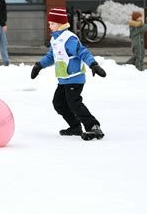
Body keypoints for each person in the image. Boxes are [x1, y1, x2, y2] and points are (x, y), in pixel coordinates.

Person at [30, 8, 107, 141]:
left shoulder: (69, 39)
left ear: (60, 24)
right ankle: (75, 126)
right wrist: (39, 65)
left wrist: (93, 65)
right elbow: (51, 56)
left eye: (52, 23)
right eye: (49, 24)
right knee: (58, 103)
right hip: (64, 79)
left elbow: (83, 52)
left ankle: (93, 126)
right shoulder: (55, 39)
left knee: (74, 103)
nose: (50, 26)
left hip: (75, 78)